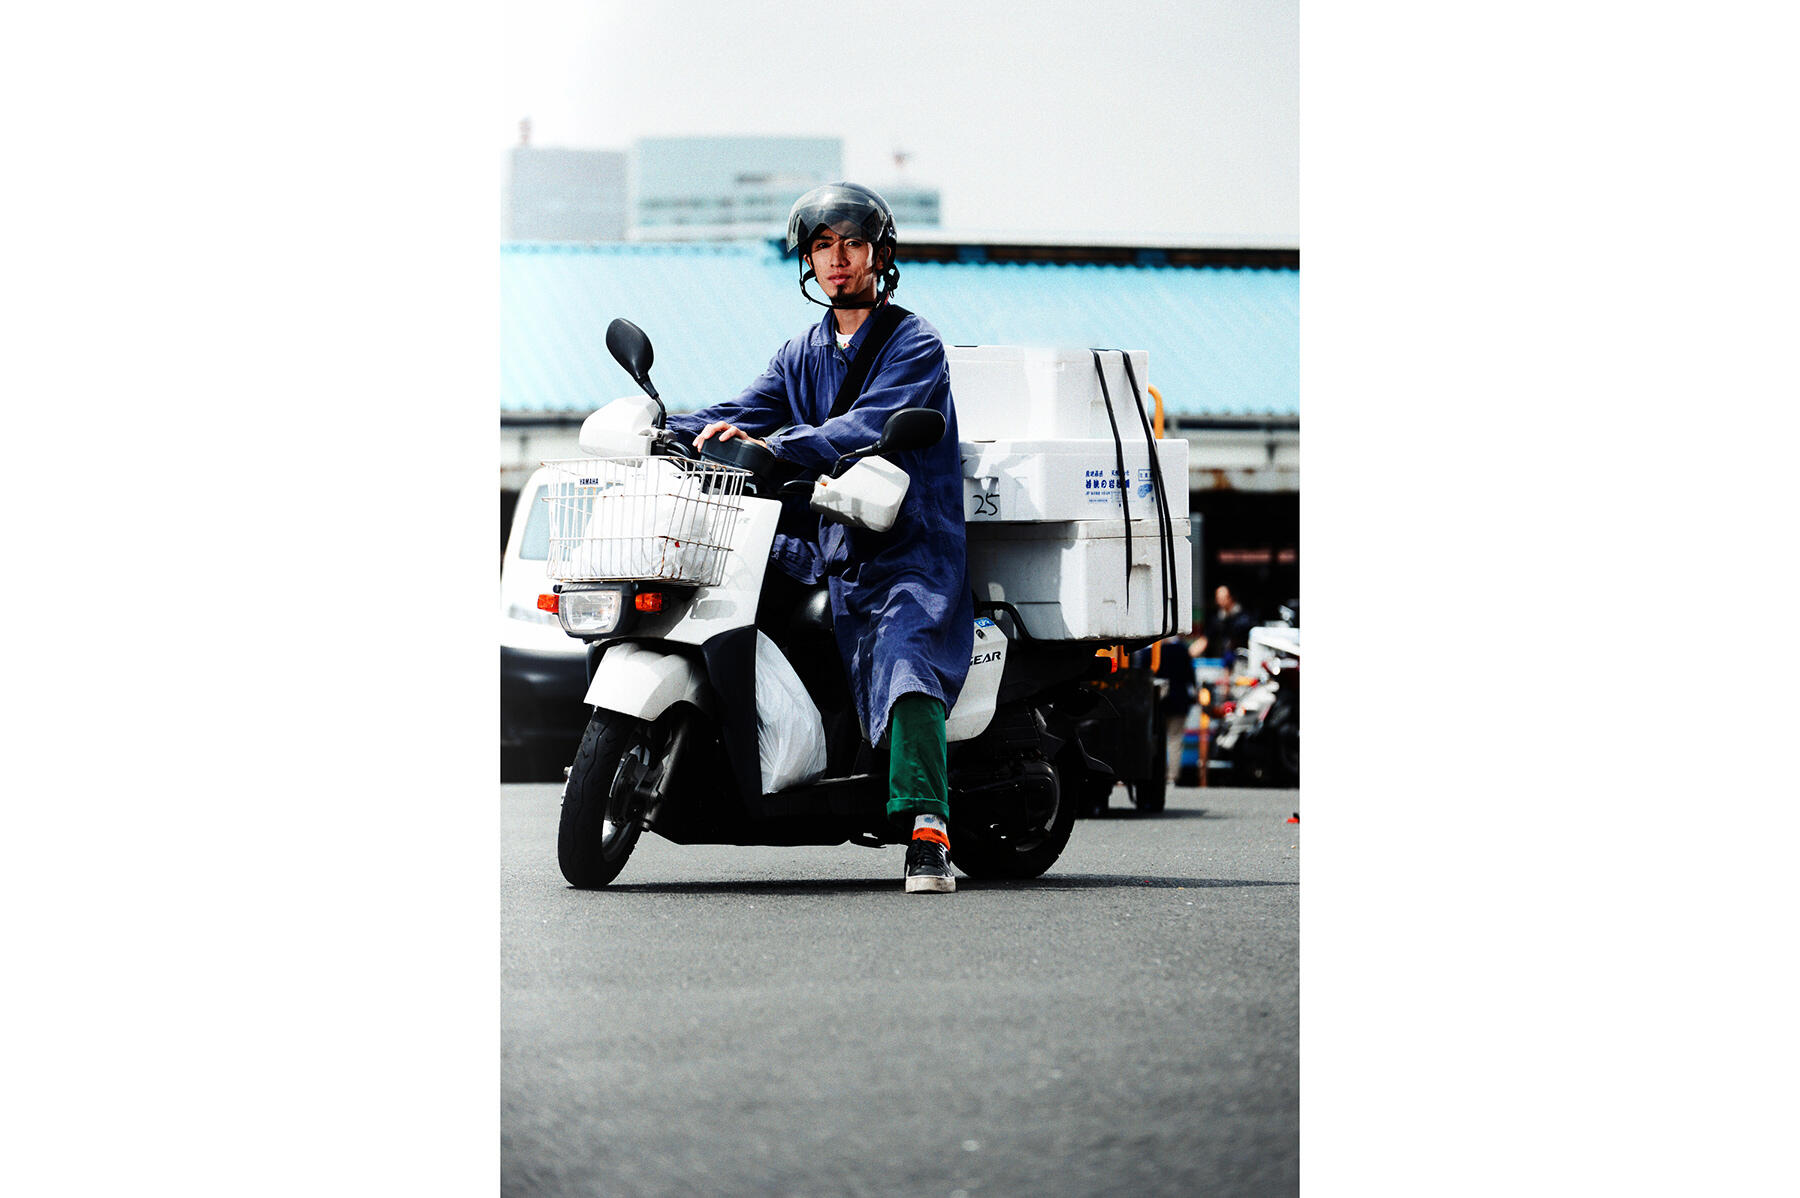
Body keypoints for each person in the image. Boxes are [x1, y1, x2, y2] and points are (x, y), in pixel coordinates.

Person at [664, 182, 972, 895]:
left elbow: (867, 425)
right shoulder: (799, 351)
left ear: (879, 255)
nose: (837, 260)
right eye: (822, 246)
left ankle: (928, 830)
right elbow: (739, 412)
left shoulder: (913, 342)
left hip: (904, 549)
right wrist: (667, 426)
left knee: (903, 655)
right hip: (821, 544)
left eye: (852, 244)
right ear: (808, 261)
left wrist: (779, 444)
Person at [1191, 584, 1256, 665]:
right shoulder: (1218, 619)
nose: (1218, 601)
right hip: (1226, 661)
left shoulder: (1244, 618)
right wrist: (1188, 654)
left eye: (1222, 598)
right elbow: (1205, 639)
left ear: (1231, 598)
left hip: (1244, 661)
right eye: (1217, 598)